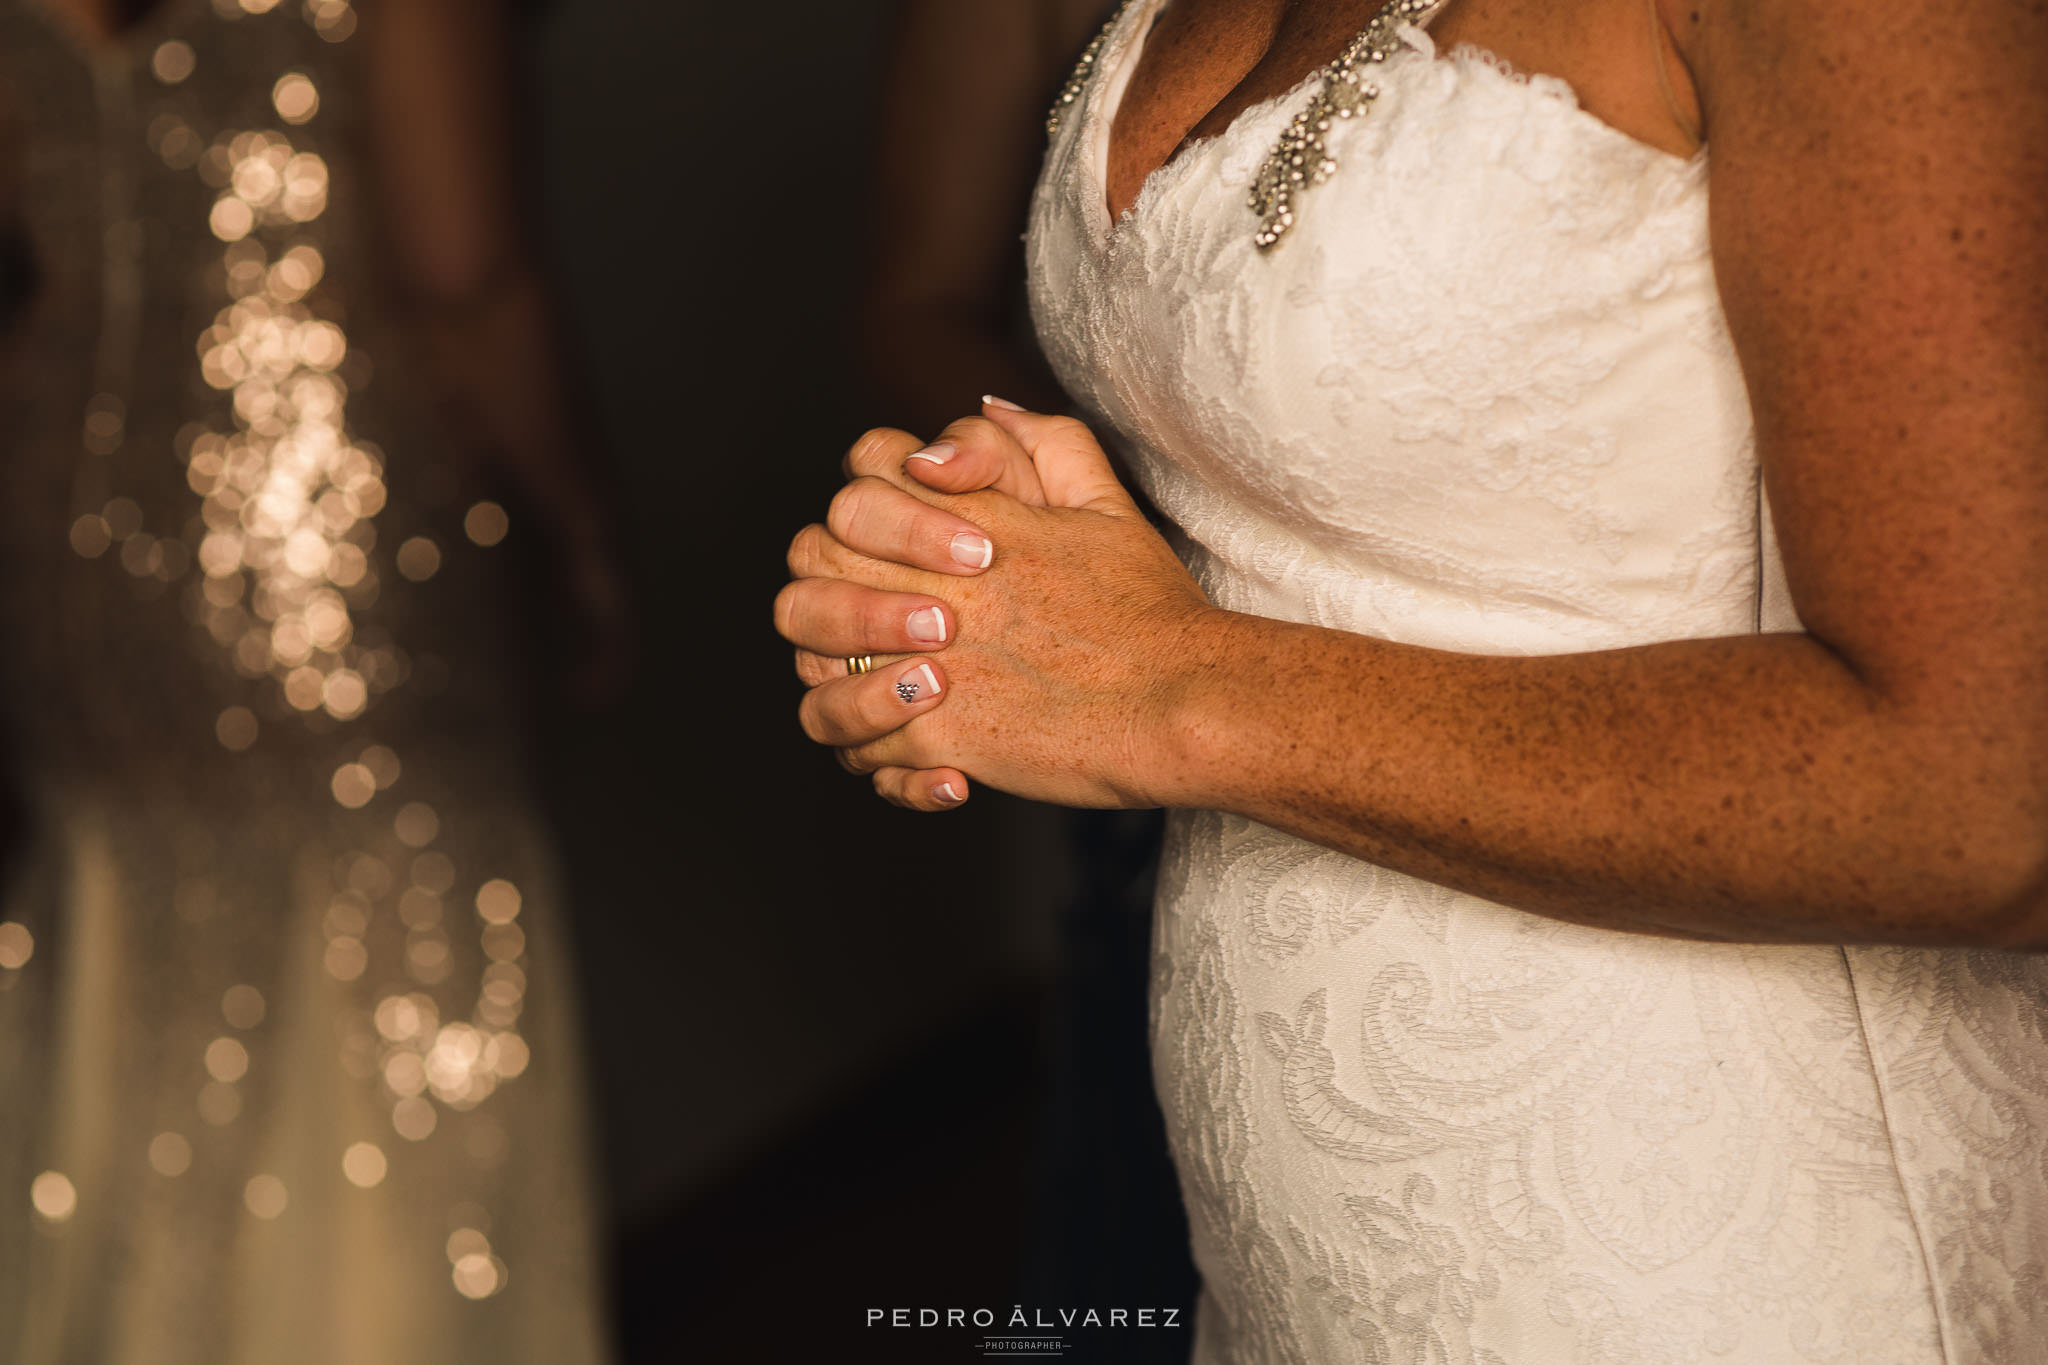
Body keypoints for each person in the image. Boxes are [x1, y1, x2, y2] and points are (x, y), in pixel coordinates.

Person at [780, 0, 2048, 1360]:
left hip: (1706, 1234)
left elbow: (1983, 797)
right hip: (1298, 1235)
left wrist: (1160, 688)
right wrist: (996, 584)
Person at [0, 1, 617, 1360]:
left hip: (61, 537)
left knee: (129, 949)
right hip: (319, 545)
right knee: (397, 958)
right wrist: (582, 526)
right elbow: (468, 275)